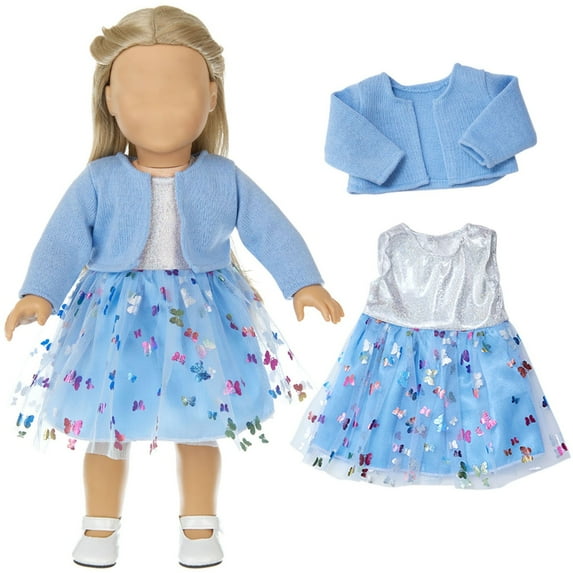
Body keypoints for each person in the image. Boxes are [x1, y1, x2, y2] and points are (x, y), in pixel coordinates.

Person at [4, 6, 343, 568]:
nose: (158, 110)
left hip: (203, 317)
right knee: (107, 425)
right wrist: (39, 291)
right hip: (115, 318)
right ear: (110, 100)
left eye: (177, 94)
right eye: (140, 95)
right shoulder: (99, 180)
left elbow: (270, 229)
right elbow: (63, 239)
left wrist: (302, 282)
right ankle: (99, 528)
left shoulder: (224, 176)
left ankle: (200, 527)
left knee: (200, 425)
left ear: (211, 97)